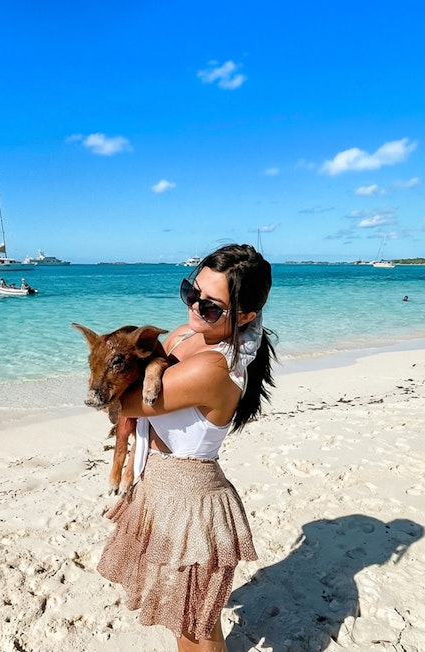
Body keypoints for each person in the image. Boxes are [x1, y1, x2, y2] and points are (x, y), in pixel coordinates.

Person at [97, 243, 276, 651]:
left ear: (245, 316)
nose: (195, 308)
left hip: (191, 506)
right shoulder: (184, 335)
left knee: (194, 627)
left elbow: (120, 401)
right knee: (185, 618)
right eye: (191, 293)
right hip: (162, 493)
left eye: (211, 306)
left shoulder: (214, 368)